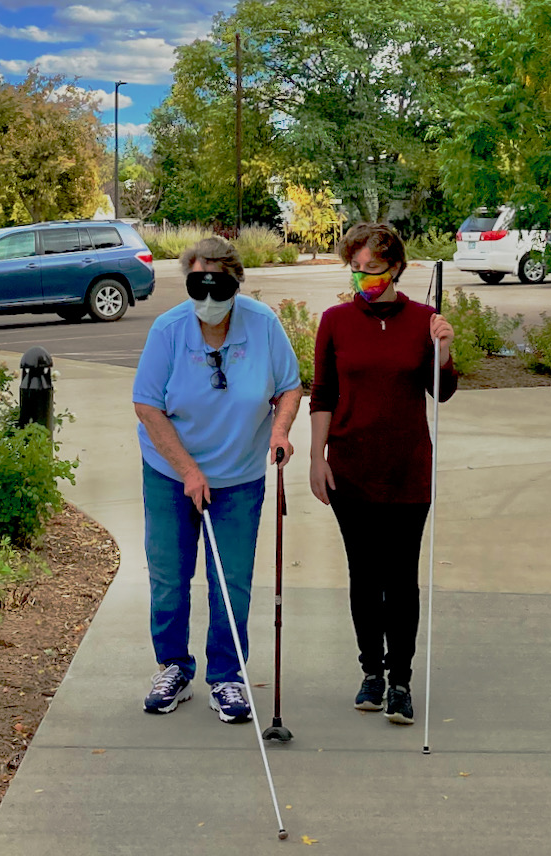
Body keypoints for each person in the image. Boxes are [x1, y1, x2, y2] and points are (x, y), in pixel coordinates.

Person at [133, 236, 302, 722]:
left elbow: (289, 389)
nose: (208, 302)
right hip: (170, 473)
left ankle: (227, 676)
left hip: (239, 476)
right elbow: (147, 404)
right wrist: (187, 470)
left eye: (218, 288)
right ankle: (174, 667)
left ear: (236, 283)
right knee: (169, 575)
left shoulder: (263, 325)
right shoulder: (169, 330)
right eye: (197, 287)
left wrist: (280, 431)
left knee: (231, 581)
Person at [309, 222, 457, 725]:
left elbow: (443, 392)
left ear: (396, 267)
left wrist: (445, 350)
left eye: (372, 270)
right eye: (356, 270)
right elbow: (323, 394)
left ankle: (401, 681)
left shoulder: (424, 320)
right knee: (363, 577)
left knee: (402, 580)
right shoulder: (334, 321)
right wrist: (316, 457)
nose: (364, 279)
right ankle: (371, 672)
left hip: (407, 470)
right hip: (350, 469)